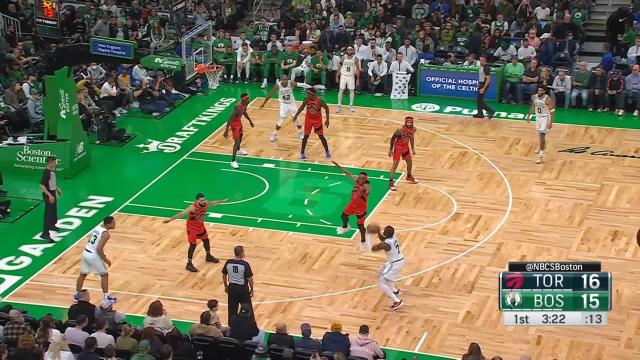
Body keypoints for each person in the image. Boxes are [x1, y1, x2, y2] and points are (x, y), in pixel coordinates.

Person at [163, 194, 226, 272]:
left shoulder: (205, 203)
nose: (203, 201)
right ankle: (189, 264)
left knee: (206, 240)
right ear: (197, 201)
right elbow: (181, 214)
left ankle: (208, 256)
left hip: (200, 226)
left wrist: (222, 201)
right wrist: (170, 219)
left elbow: (213, 203)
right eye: (201, 200)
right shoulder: (192, 207)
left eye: (204, 200)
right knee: (193, 245)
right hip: (192, 228)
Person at [75, 216, 117, 303]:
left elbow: (90, 238)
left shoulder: (98, 227)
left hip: (86, 252)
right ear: (109, 224)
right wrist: (105, 259)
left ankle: (77, 295)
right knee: (104, 275)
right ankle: (106, 298)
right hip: (93, 255)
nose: (115, 224)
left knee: (82, 274)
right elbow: (99, 248)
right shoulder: (106, 234)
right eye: (113, 222)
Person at [260, 74, 313, 142]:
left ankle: (300, 133)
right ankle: (274, 134)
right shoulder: (278, 86)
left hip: (292, 103)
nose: (285, 81)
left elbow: (302, 84)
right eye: (283, 80)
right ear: (281, 80)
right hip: (283, 104)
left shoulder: (290, 83)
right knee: (281, 121)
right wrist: (264, 103)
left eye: (286, 79)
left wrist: (311, 87)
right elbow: (270, 94)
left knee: (297, 119)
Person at [332, 161, 370, 249]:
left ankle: (364, 241)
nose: (360, 179)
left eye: (362, 178)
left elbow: (367, 189)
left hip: (361, 209)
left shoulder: (366, 186)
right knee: (343, 216)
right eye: (359, 177)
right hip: (352, 204)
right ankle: (345, 227)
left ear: (365, 179)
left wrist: (365, 188)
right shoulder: (357, 181)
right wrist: (338, 166)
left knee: (360, 226)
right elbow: (347, 173)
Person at [371, 225, 405, 310]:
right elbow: (384, 239)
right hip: (397, 260)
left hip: (394, 264)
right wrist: (378, 233)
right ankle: (394, 290)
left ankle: (397, 301)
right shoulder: (393, 238)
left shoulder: (385, 245)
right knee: (380, 271)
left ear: (385, 233)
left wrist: (371, 235)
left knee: (382, 282)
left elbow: (374, 248)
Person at [292, 88, 331, 160]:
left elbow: (327, 108)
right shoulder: (306, 99)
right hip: (308, 120)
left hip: (317, 120)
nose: (307, 94)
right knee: (306, 136)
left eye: (308, 93)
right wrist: (296, 115)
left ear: (312, 94)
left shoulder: (319, 100)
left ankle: (327, 151)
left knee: (321, 136)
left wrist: (327, 119)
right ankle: (302, 153)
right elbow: (302, 107)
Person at [222, 245, 254, 325]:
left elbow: (224, 275)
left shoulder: (228, 262)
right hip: (242, 289)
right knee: (247, 307)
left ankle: (231, 326)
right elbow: (250, 278)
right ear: (242, 253)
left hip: (232, 288)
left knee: (232, 308)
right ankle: (249, 325)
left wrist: (226, 286)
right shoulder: (245, 264)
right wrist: (252, 289)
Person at [223, 94, 254, 169]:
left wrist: (250, 121)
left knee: (241, 136)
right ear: (243, 99)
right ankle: (233, 161)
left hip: (238, 122)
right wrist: (226, 130)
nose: (248, 100)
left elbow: (244, 113)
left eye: (248, 98)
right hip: (234, 125)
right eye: (247, 99)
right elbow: (230, 118)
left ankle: (238, 149)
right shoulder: (237, 107)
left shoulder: (244, 105)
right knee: (236, 142)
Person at [526, 84, 554, 164]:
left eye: (541, 90)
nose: (539, 92)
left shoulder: (547, 99)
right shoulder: (534, 97)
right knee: (539, 134)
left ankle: (541, 156)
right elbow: (533, 106)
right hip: (538, 117)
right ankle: (541, 145)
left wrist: (551, 122)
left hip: (545, 118)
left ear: (544, 91)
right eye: (538, 90)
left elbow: (552, 111)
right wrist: (529, 115)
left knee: (542, 136)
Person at [388, 116, 418, 191]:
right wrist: (391, 149)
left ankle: (409, 176)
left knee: (410, 162)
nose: (409, 123)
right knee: (395, 164)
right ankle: (391, 182)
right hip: (398, 147)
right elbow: (392, 139)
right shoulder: (400, 130)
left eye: (410, 122)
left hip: (406, 147)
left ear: (412, 122)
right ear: (405, 122)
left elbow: (411, 138)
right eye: (408, 122)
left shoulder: (414, 129)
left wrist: (413, 148)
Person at [40, 156, 62, 242]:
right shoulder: (46, 172)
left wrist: (57, 189)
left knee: (53, 211)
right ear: (50, 163)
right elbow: (42, 185)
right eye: (55, 162)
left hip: (52, 193)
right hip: (48, 195)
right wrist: (49, 195)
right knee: (48, 214)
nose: (56, 164)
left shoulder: (52, 171)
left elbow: (51, 182)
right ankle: (45, 234)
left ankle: (52, 225)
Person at [336, 46, 360, 113]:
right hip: (343, 75)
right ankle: (339, 105)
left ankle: (351, 105)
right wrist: (337, 76)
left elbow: (357, 69)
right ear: (347, 50)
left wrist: (358, 79)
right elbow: (339, 67)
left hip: (351, 76)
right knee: (341, 90)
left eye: (351, 50)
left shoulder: (355, 58)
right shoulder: (343, 57)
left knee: (352, 90)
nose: (349, 51)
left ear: (353, 50)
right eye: (348, 50)